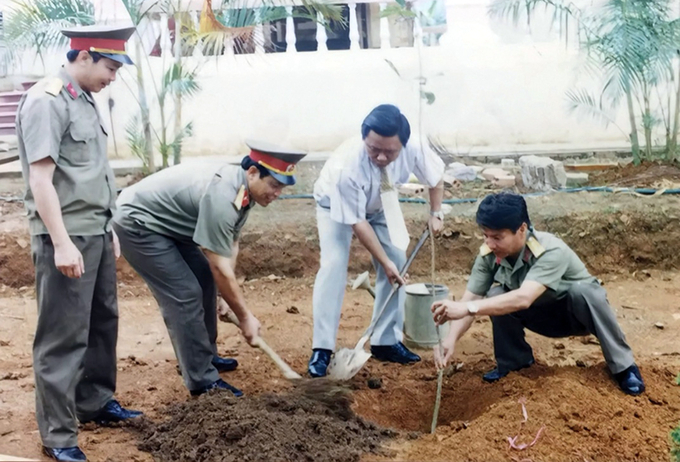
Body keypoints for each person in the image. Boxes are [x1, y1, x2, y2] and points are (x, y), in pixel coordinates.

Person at [16, 25, 142, 462]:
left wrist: (107, 228)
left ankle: (93, 401)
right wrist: (63, 244)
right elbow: (41, 179)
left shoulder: (85, 98)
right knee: (62, 336)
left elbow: (88, 173)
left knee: (102, 322)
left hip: (95, 229)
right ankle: (58, 436)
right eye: (110, 67)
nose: (114, 76)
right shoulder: (47, 101)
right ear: (84, 56)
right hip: (64, 235)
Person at [112, 141, 306, 397]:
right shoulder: (223, 195)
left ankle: (204, 356)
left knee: (205, 280)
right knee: (184, 293)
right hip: (138, 223)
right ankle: (202, 380)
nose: (277, 193)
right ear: (252, 173)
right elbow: (219, 265)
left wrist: (226, 295)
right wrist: (245, 317)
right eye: (274, 185)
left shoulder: (244, 192)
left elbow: (230, 246)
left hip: (169, 226)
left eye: (281, 187)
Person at [431, 192, 645, 395]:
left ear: (522, 229)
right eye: (485, 235)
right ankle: (515, 364)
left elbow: (523, 298)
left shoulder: (550, 250)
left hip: (574, 316)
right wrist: (450, 339)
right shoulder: (489, 254)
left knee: (586, 292)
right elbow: (472, 298)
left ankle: (624, 367)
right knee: (496, 293)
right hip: (537, 316)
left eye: (497, 237)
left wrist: (467, 308)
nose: (489, 243)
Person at [308, 104, 445, 377]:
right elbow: (357, 222)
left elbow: (436, 177)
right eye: (373, 149)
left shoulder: (415, 146)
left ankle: (385, 340)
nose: (381, 157)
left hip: (382, 201)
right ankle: (322, 349)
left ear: (402, 145)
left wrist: (435, 213)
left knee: (398, 260)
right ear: (364, 140)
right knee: (334, 265)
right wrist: (383, 263)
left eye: (390, 152)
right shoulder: (347, 166)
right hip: (334, 206)